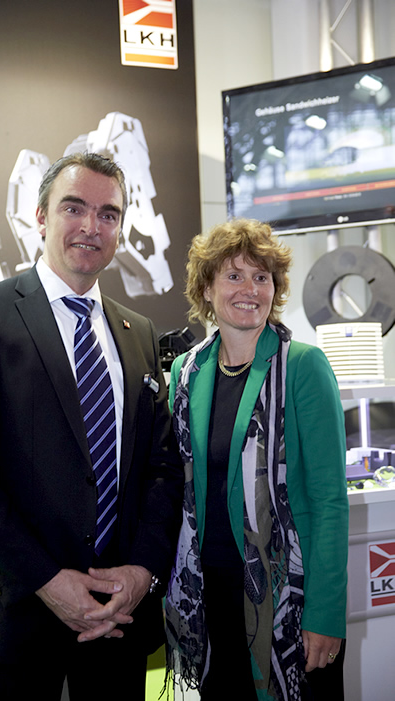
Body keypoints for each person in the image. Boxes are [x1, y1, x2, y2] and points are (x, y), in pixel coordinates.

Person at [0, 152, 183, 701]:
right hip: (18, 616)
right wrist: (46, 581)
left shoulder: (137, 331)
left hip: (118, 614)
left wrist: (142, 571)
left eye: (109, 214)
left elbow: (161, 467)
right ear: (41, 217)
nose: (92, 226)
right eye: (74, 208)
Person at [164, 219, 349, 700]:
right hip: (210, 598)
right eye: (234, 276)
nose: (250, 289)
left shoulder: (304, 366)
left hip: (290, 602)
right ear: (207, 289)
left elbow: (330, 501)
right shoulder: (186, 372)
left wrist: (325, 614)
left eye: (261, 277)